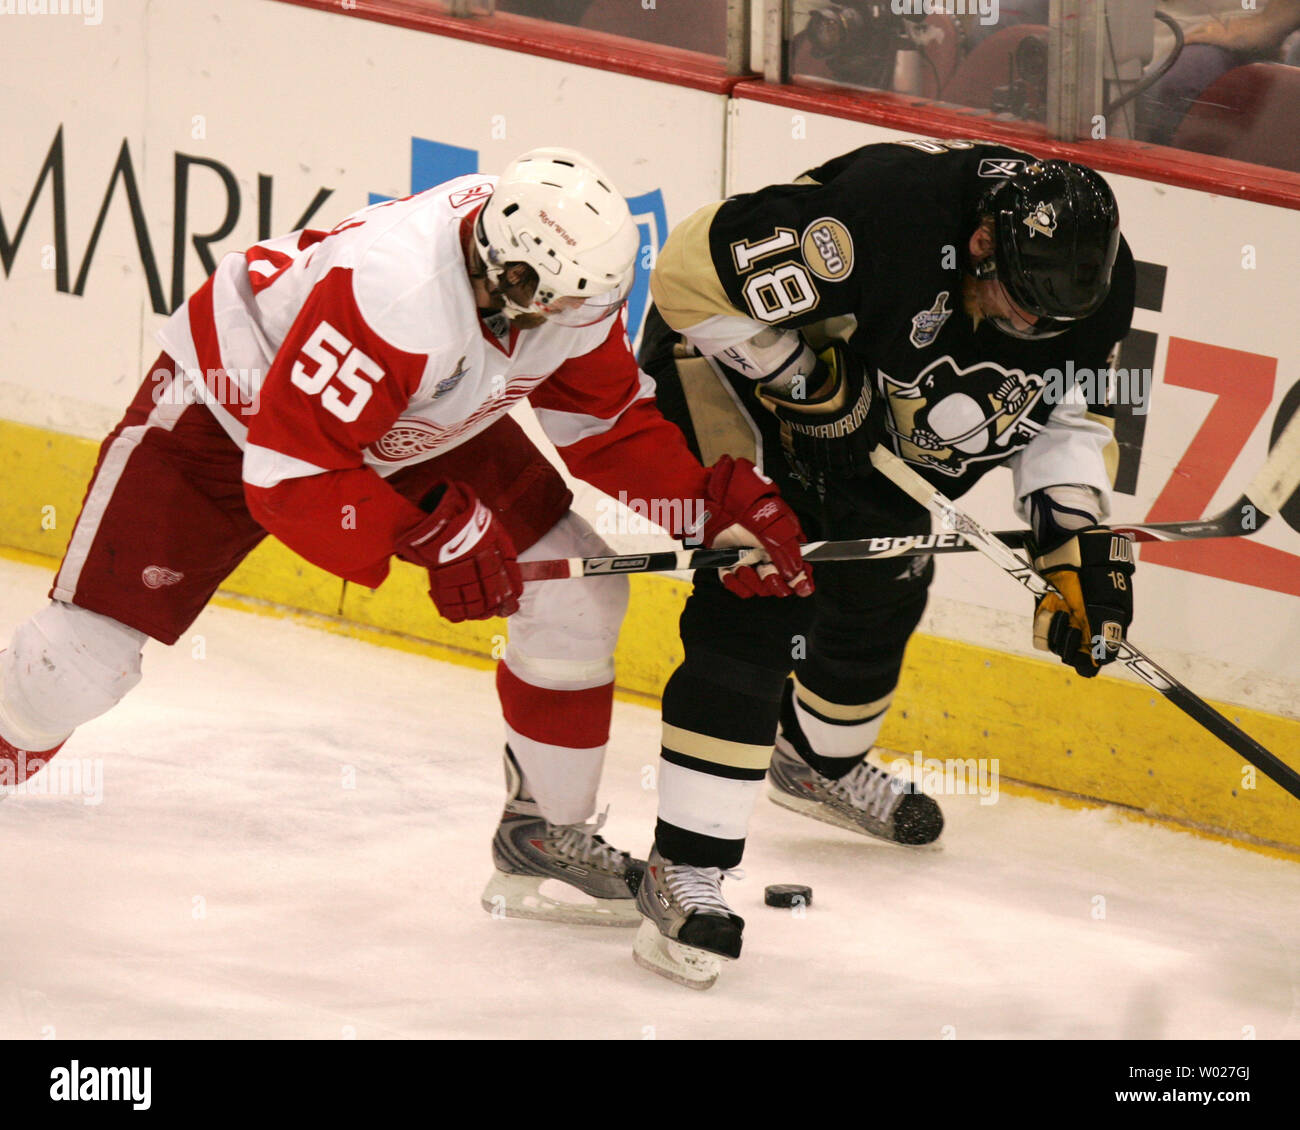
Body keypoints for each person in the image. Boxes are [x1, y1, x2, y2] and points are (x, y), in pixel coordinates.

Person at [0, 147, 810, 929]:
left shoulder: (569, 277)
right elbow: (291, 476)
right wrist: (431, 535)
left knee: (575, 592)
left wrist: (707, 511)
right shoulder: (399, 295)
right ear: (506, 275)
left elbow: (602, 418)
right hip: (232, 406)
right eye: (555, 305)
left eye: (583, 306)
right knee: (78, 664)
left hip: (412, 409)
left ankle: (543, 835)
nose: (573, 321)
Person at [631, 139, 1137, 987]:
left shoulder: (1092, 287)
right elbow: (684, 275)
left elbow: (1065, 414)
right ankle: (684, 870)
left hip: (875, 432)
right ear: (982, 242)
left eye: (1046, 323)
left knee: (886, 577)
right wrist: (801, 379)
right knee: (763, 587)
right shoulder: (882, 217)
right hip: (731, 375)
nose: (1026, 331)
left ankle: (815, 765)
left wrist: (1074, 543)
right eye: (1013, 307)